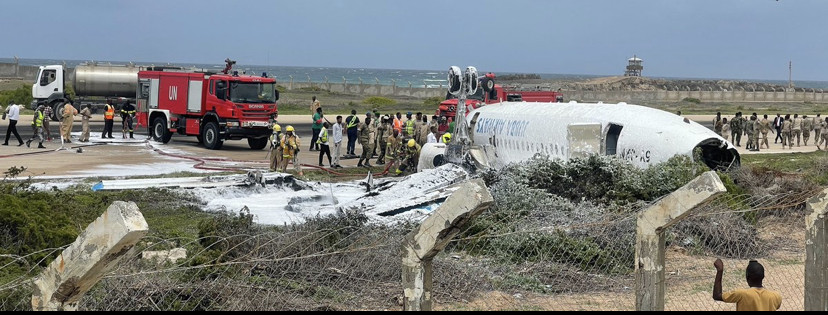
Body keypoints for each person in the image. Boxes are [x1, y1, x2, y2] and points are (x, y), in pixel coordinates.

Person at [712, 259, 781, 311]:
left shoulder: (741, 294)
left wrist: (720, 270)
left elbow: (717, 296)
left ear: (747, 277)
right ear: (763, 276)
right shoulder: (776, 296)